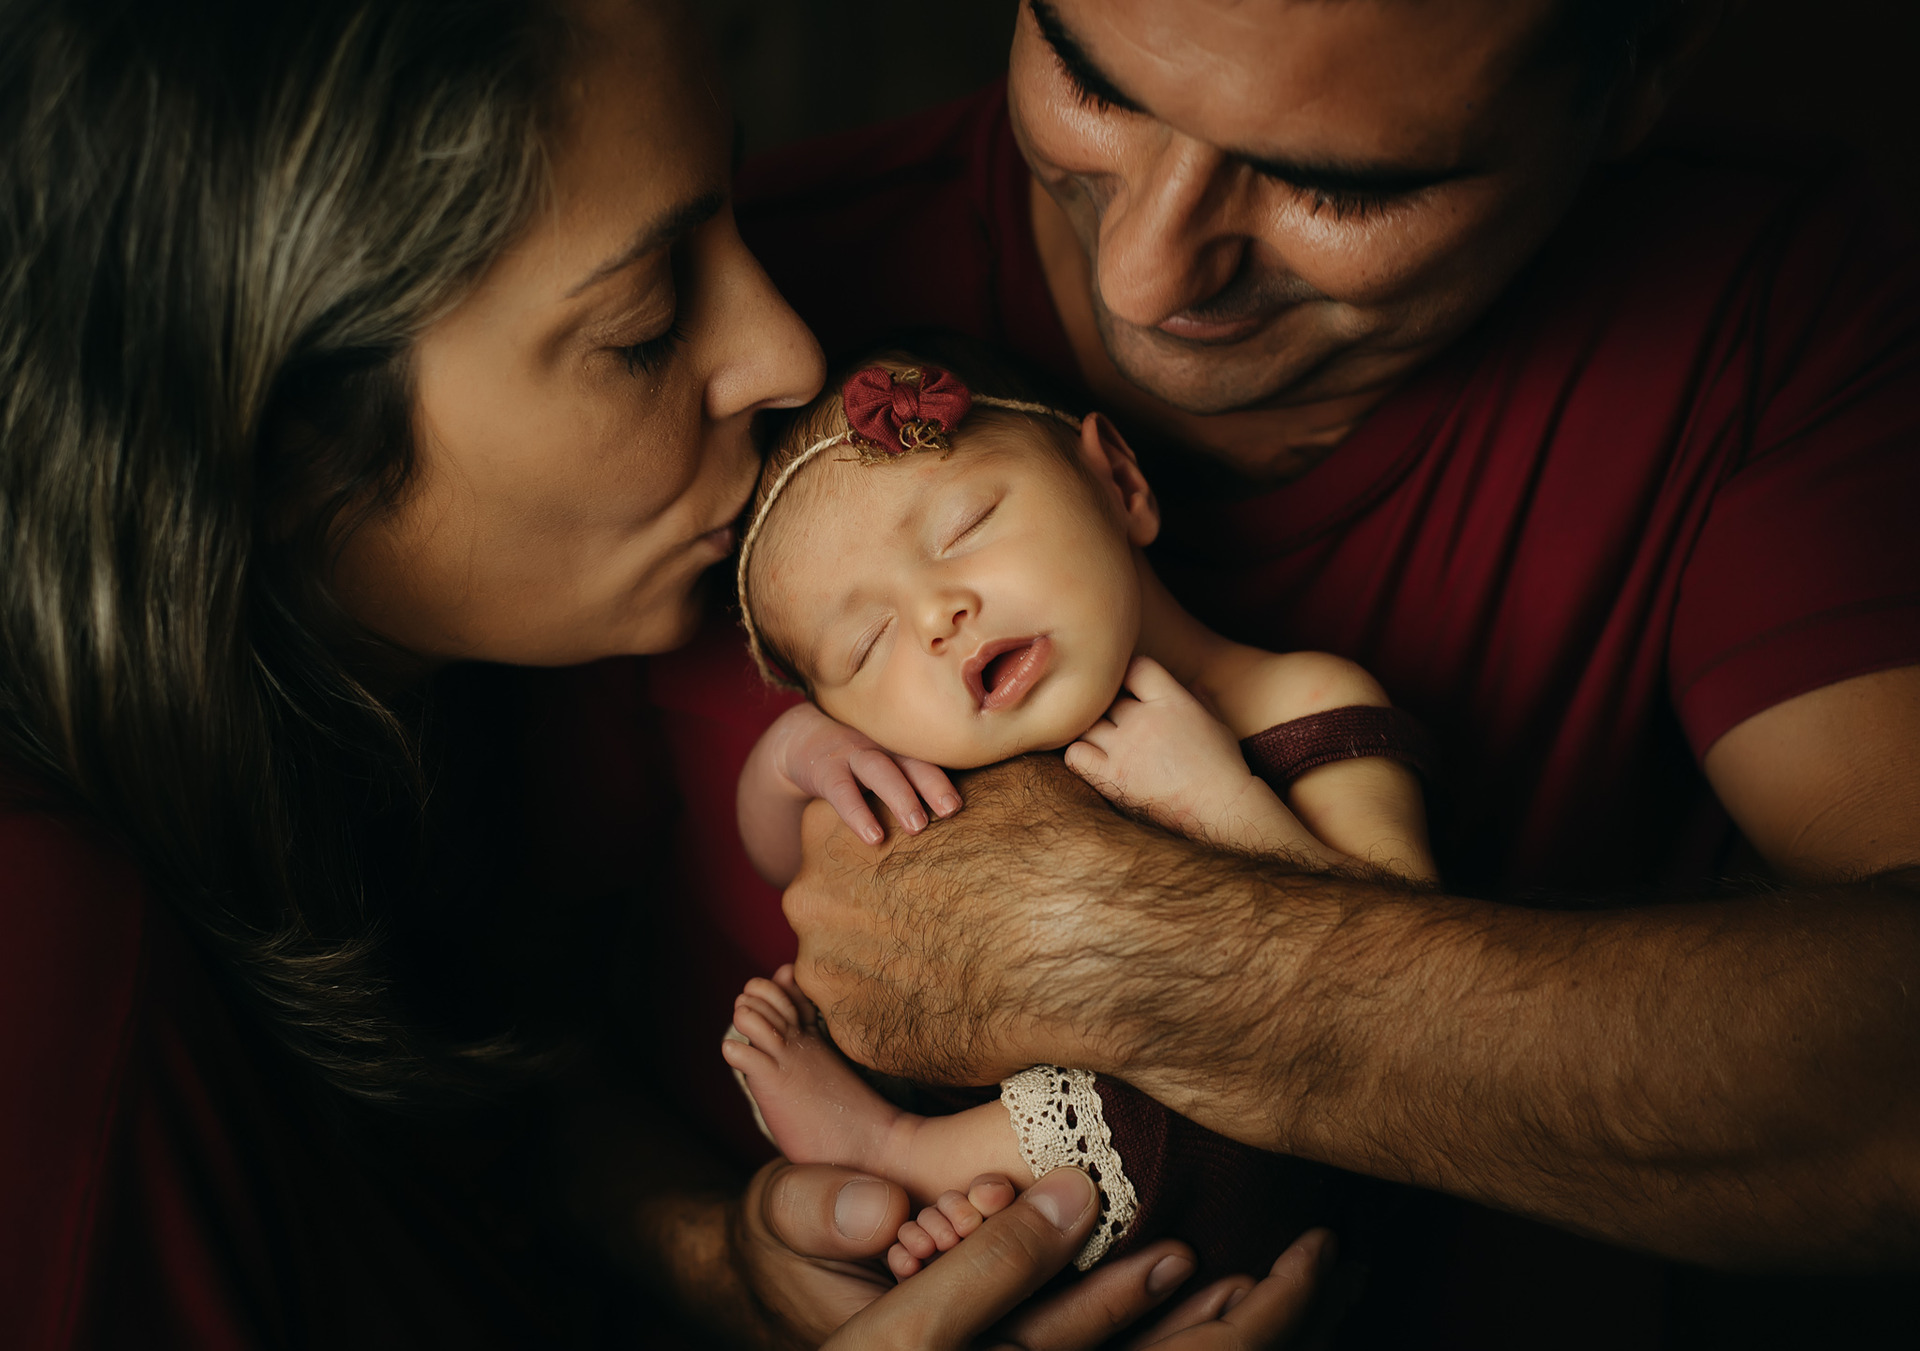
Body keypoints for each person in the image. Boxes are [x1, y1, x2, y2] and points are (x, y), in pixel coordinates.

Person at [0, 0, 1322, 1346]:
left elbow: (517, 1101)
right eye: (641, 322)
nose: (792, 355)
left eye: (732, 207)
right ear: (288, 451)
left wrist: (713, 1251)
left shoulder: (473, 709)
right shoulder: (52, 966)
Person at [634, 0, 1920, 1342]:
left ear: (1641, 69)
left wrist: (1115, 938)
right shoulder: (727, 306)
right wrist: (723, 1265)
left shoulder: (1774, 318)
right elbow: (476, 1040)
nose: (1144, 275)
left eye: (1338, 184)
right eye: (1090, 77)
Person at [724, 349, 1433, 1280]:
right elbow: (792, 868)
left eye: (966, 525)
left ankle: (904, 1155)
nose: (939, 615)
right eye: (867, 645)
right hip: (1035, 1234)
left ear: (1119, 483)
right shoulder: (932, 757)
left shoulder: (1294, 699)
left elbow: (1415, 964)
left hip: (1252, 1167)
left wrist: (1219, 803)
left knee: (1176, 1070)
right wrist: (795, 758)